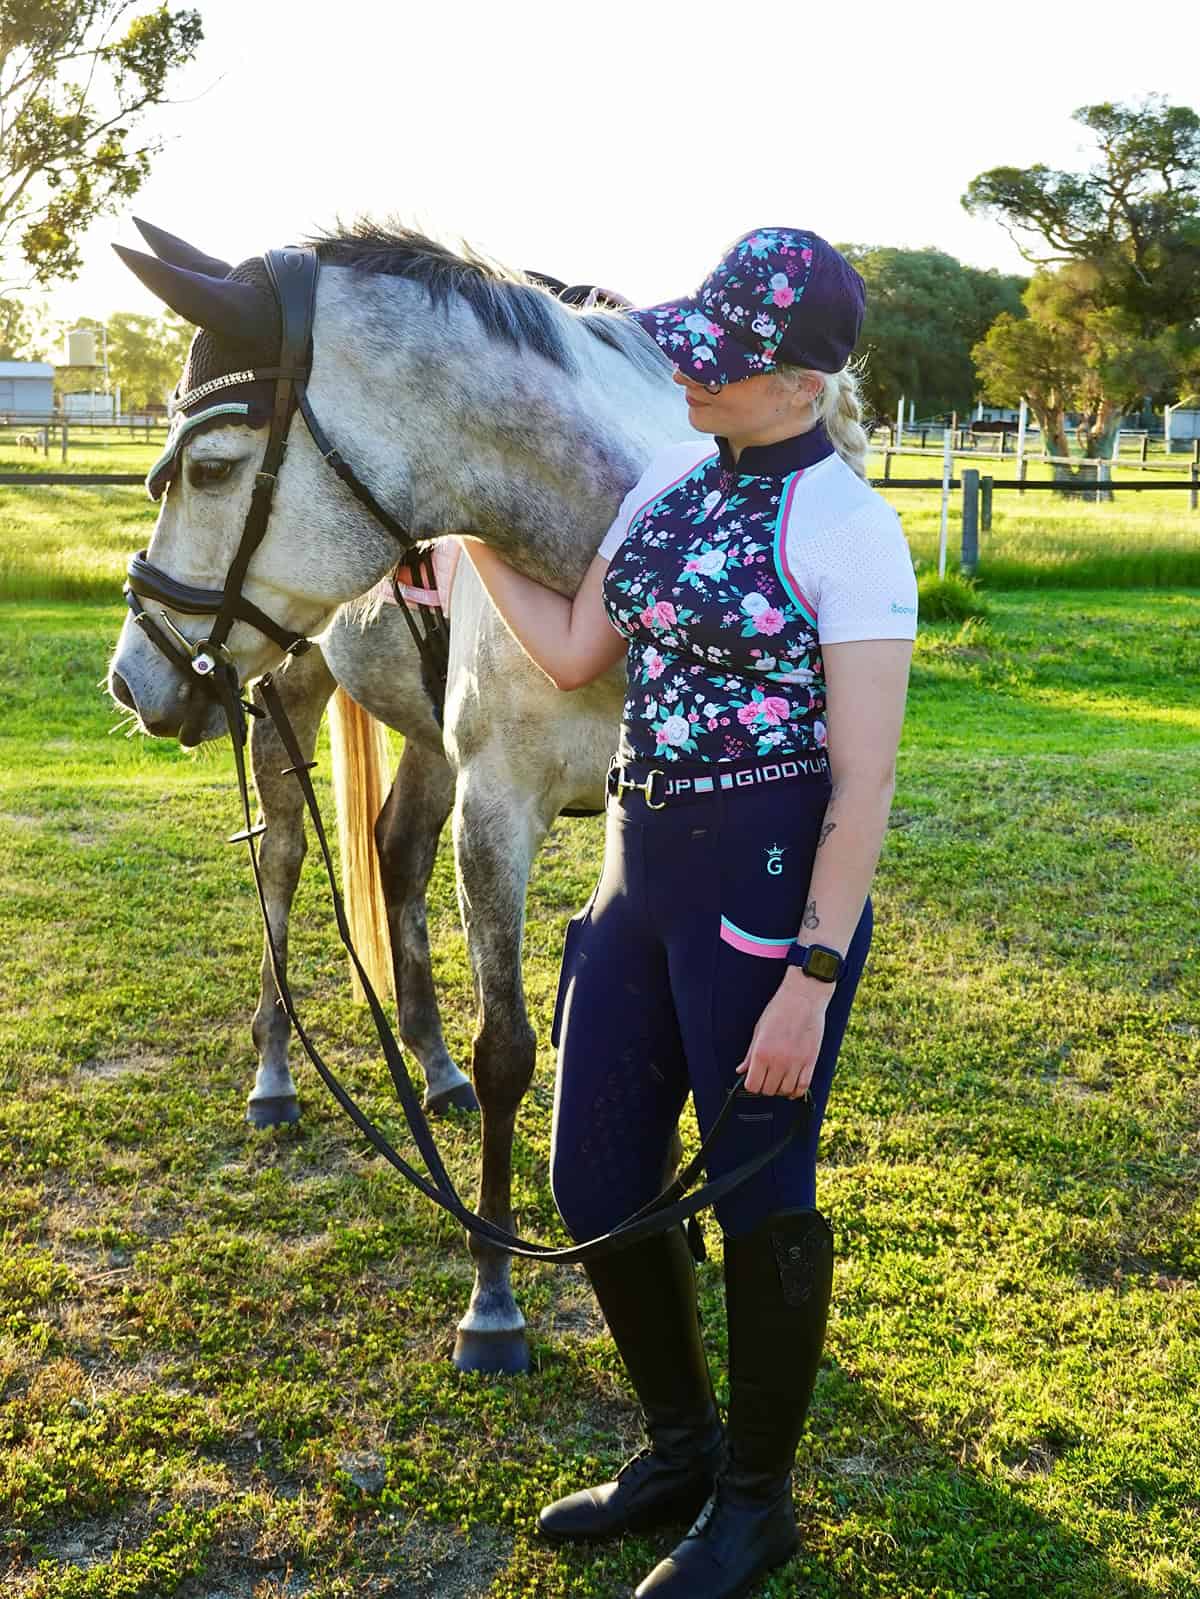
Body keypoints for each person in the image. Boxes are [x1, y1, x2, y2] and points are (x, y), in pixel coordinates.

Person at [462, 228, 917, 1599]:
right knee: (593, 1180)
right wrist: (465, 535)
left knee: (761, 1199)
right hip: (639, 872)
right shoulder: (668, 476)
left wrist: (812, 976)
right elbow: (576, 650)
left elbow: (868, 774)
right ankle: (679, 1447)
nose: (691, 378)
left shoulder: (850, 530)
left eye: (724, 365)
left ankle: (757, 1502)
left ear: (805, 383)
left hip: (767, 894)